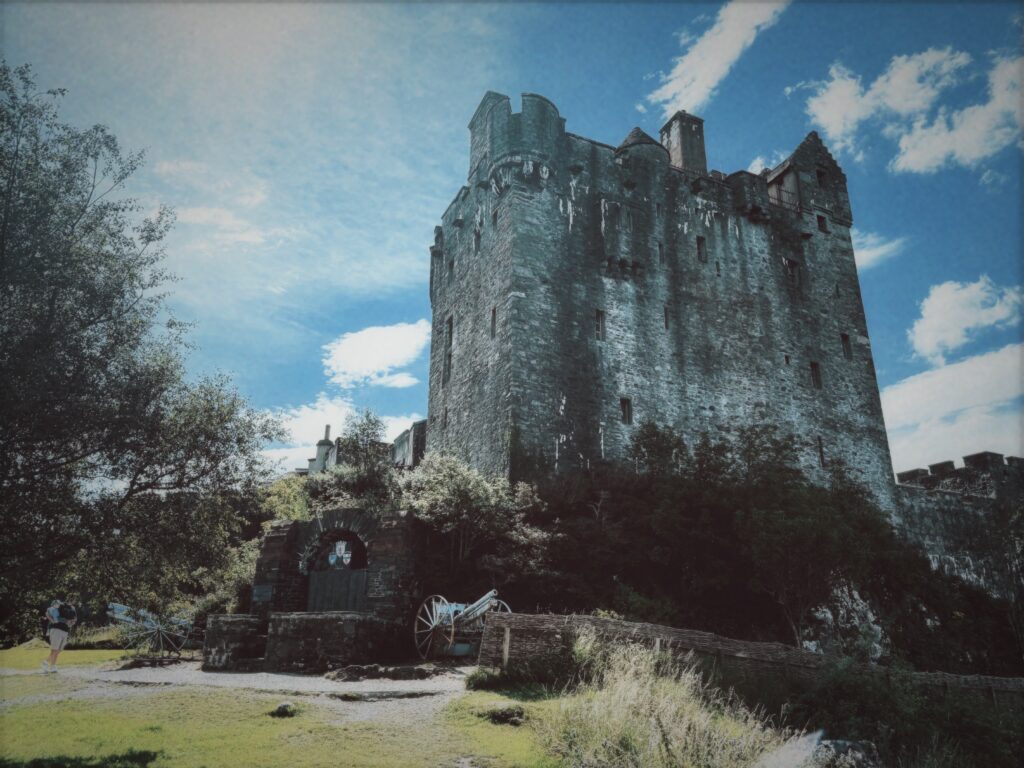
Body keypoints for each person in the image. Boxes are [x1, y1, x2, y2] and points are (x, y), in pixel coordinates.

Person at [40, 598, 76, 673]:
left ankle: (47, 663)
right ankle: (51, 665)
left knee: (60, 649)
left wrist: (72, 623)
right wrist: (52, 620)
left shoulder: (73, 608)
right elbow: (47, 612)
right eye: (72, 598)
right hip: (56, 629)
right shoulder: (60, 605)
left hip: (65, 630)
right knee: (55, 649)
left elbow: (74, 619)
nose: (74, 601)